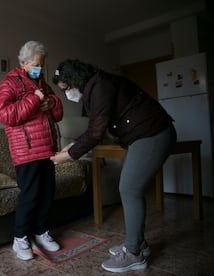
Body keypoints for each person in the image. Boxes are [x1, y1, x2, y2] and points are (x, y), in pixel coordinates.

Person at [51, 59, 176, 272]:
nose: (68, 94)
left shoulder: (100, 86)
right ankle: (138, 243)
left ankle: (134, 253)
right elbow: (92, 129)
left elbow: (95, 133)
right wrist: (69, 148)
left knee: (129, 188)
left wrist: (64, 156)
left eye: (67, 88)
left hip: (153, 134)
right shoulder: (95, 87)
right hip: (139, 137)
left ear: (75, 80)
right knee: (128, 188)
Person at [0, 41, 63, 261]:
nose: (39, 69)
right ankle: (20, 237)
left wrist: (50, 103)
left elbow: (59, 112)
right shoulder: (10, 82)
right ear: (22, 63)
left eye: (41, 65)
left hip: (47, 148)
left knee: (46, 193)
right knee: (30, 195)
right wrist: (35, 99)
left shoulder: (42, 82)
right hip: (26, 150)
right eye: (36, 64)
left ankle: (41, 231)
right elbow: (5, 114)